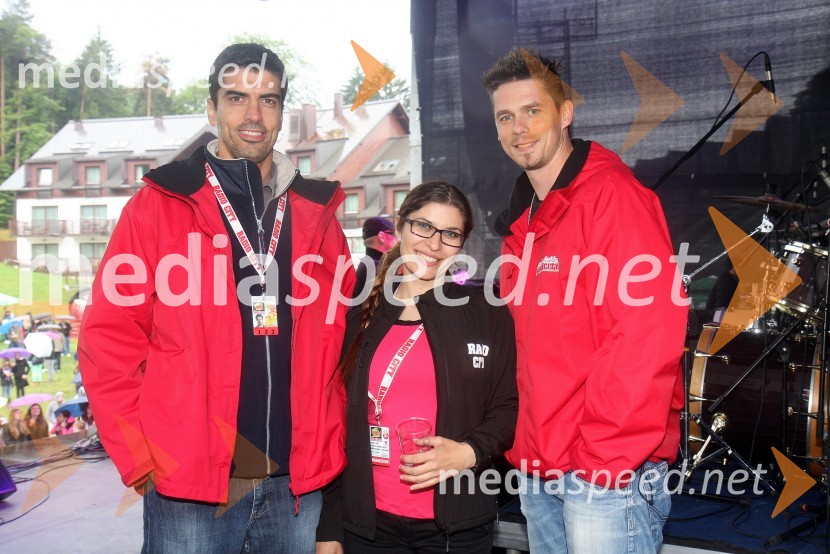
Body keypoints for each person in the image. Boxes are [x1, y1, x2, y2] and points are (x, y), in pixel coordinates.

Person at [79, 43, 354, 553]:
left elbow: (339, 348)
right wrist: (141, 458)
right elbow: (108, 341)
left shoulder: (317, 215)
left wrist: (329, 450)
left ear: (281, 112)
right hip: (193, 485)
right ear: (211, 108)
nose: (253, 114)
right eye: (236, 98)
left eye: (268, 100)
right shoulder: (157, 208)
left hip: (294, 483)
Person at [483, 48, 687, 552]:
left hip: (603, 472)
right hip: (539, 466)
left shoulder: (613, 198)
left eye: (533, 110)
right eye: (505, 116)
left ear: (566, 112)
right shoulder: (522, 223)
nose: (519, 128)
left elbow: (645, 336)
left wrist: (602, 462)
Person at [316, 181, 518, 552]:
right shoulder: (360, 312)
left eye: (450, 233)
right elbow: (336, 424)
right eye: (423, 226)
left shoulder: (487, 312)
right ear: (400, 226)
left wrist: (467, 452)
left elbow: (508, 406)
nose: (434, 244)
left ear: (464, 243)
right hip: (368, 527)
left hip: (455, 529)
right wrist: (330, 525)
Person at [352, 216, 397, 298]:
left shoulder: (366, 265)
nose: (397, 239)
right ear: (381, 237)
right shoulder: (378, 268)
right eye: (393, 234)